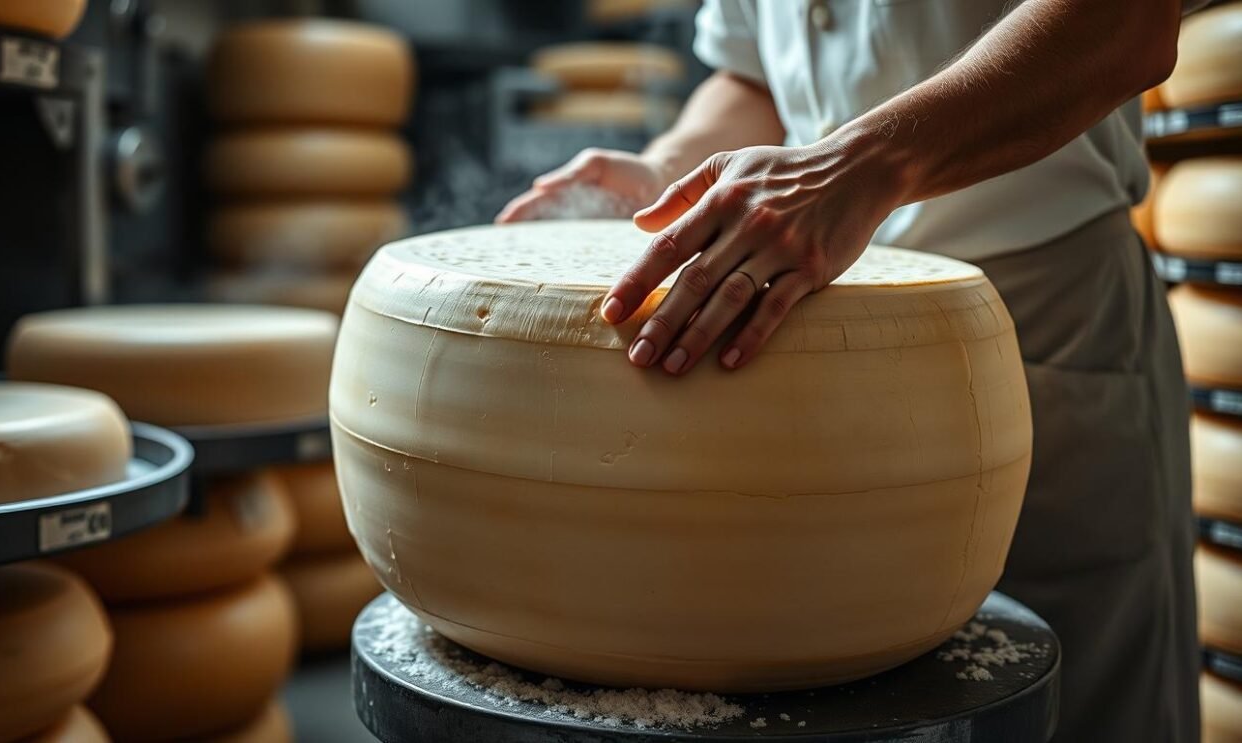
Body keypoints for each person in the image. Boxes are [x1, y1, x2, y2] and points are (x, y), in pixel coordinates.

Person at [497, 0, 1202, 740]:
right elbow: (755, 75)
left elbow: (1128, 22)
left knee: (1080, 701)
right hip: (812, 327)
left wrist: (861, 165)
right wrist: (673, 173)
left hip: (1037, 310)